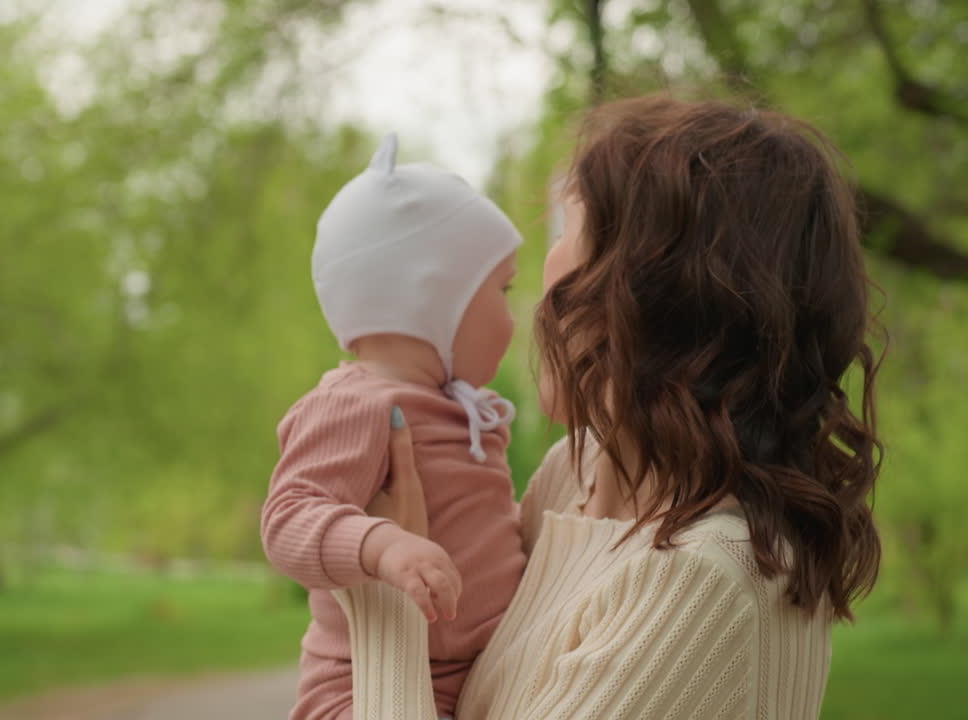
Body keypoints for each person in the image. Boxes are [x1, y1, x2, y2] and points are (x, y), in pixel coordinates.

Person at [333, 94, 883, 720]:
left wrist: (385, 601)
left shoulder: (703, 582)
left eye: (568, 231)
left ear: (654, 296)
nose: (540, 279)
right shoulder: (577, 477)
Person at [261, 134, 530, 720]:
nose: (513, 315)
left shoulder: (464, 413)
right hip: (359, 686)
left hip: (473, 675)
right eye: (502, 290)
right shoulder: (356, 404)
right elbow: (288, 517)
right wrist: (381, 545)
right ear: (433, 297)